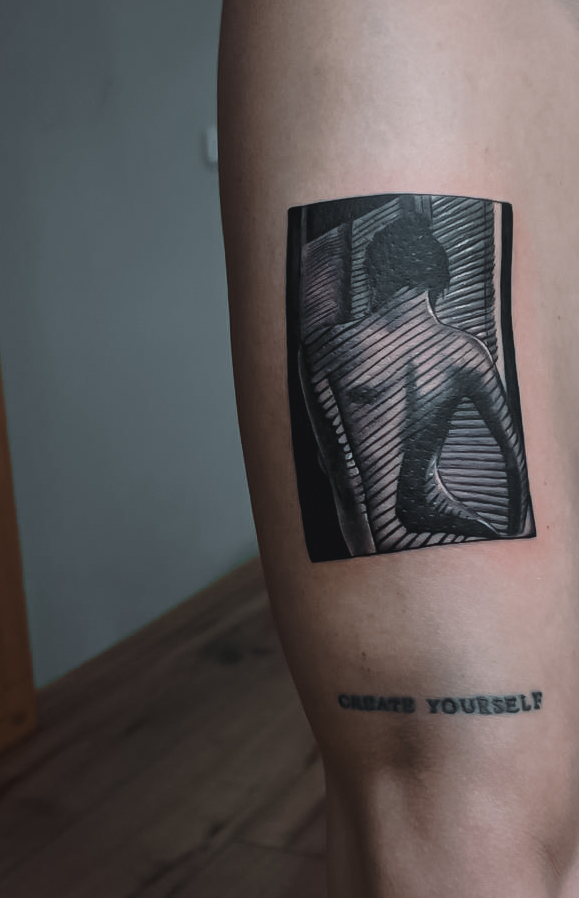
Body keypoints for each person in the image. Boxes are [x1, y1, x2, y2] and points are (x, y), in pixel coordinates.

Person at [218, 1, 579, 895]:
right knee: (465, 802)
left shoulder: (339, 345)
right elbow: (508, 470)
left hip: (384, 516)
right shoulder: (460, 352)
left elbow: (343, 465)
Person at [299, 211, 531, 557]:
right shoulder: (465, 353)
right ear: (438, 281)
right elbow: (514, 459)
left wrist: (365, 558)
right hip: (455, 525)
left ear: (373, 276)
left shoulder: (324, 349)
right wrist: (515, 541)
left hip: (385, 543)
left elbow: (342, 476)